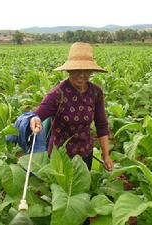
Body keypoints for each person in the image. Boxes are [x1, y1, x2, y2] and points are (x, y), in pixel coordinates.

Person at [30, 42, 113, 171]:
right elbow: (37, 115)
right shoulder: (58, 93)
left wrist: (106, 156)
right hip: (60, 156)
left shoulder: (96, 93)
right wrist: (35, 120)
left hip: (85, 154)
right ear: (68, 70)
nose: (81, 75)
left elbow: (101, 125)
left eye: (86, 71)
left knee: (81, 188)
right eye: (76, 70)